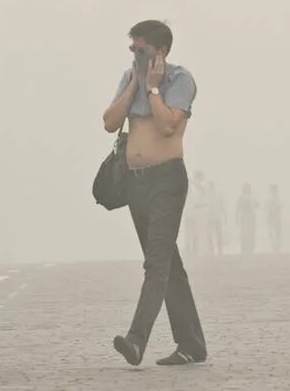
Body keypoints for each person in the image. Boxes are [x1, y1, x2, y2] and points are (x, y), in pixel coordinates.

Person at [102, 20, 206, 366]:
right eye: (132, 49)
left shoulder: (180, 80)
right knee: (169, 265)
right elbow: (110, 121)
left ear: (160, 51)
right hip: (136, 183)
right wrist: (135, 85)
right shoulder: (129, 78)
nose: (135, 54)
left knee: (156, 264)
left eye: (141, 49)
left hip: (166, 180)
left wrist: (155, 88)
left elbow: (167, 125)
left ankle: (136, 340)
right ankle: (191, 344)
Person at [205, 181, 226, 257]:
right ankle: (212, 251)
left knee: (218, 235)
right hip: (210, 218)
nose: (208, 187)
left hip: (217, 218)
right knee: (211, 235)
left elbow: (222, 206)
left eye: (209, 186)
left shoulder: (217, 195)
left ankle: (219, 251)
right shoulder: (207, 195)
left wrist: (225, 217)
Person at [236, 183, 258, 255]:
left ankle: (250, 247)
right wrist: (236, 218)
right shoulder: (241, 197)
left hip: (251, 217)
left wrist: (257, 204)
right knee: (244, 233)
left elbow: (257, 205)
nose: (247, 190)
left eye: (248, 188)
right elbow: (238, 208)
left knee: (251, 232)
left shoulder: (252, 197)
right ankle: (244, 247)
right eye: (246, 188)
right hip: (244, 217)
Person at [265, 184, 283, 252]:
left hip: (276, 218)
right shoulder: (273, 198)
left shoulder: (275, 198)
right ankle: (275, 247)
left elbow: (278, 208)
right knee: (274, 233)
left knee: (276, 233)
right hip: (274, 218)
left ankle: (276, 247)